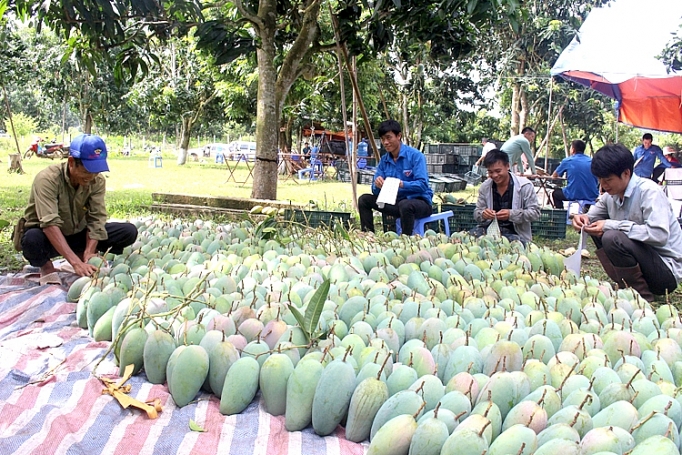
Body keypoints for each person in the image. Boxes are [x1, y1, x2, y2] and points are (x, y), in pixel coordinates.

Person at [16, 134, 138, 283]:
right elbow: (49, 224)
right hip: (48, 237)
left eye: (96, 171)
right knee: (31, 240)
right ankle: (47, 267)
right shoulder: (47, 179)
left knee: (128, 231)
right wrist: (75, 263)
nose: (91, 177)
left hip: (77, 234)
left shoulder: (97, 181)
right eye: (87, 171)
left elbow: (96, 218)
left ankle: (83, 254)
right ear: (72, 162)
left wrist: (89, 252)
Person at [572, 143, 682, 302]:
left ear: (626, 173)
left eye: (608, 180)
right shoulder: (611, 196)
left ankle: (643, 296)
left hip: (665, 272)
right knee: (595, 228)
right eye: (600, 180)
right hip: (645, 264)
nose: (603, 185)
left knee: (610, 236)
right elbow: (591, 217)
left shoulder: (649, 192)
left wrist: (611, 225)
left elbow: (659, 235)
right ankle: (627, 286)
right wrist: (581, 219)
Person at [358, 120, 433, 235]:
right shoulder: (384, 160)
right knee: (364, 199)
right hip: (395, 202)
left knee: (405, 205)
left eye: (389, 138)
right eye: (383, 139)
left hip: (420, 203)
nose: (386, 142)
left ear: (399, 136)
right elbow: (375, 190)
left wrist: (402, 184)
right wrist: (377, 185)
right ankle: (368, 235)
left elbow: (423, 185)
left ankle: (405, 240)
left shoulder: (416, 156)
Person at [470, 149, 541, 244]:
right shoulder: (485, 187)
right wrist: (483, 214)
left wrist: (511, 214)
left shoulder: (525, 186)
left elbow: (535, 213)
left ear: (508, 166)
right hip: (490, 231)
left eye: (498, 171)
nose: (494, 175)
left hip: (516, 233)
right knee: (469, 239)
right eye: (490, 172)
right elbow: (477, 213)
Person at [550, 139, 599, 209]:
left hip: (573, 194)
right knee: (587, 197)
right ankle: (586, 211)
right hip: (591, 194)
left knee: (555, 194)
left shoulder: (568, 161)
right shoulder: (592, 161)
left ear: (573, 149)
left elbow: (554, 176)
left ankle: (561, 214)